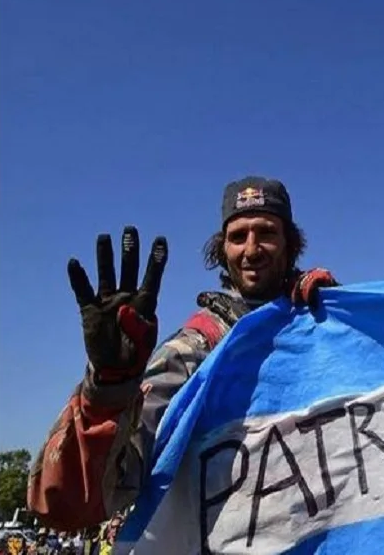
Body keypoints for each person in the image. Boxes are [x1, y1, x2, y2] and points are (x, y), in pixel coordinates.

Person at [27, 176, 340, 532]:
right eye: (238, 237)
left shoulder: (324, 319)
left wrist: (341, 318)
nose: (251, 250)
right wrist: (107, 392)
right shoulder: (196, 349)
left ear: (291, 243)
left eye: (266, 232)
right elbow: (70, 507)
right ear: (223, 250)